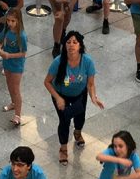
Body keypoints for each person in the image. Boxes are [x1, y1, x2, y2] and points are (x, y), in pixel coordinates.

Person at [45, 31, 105, 166]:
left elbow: (90, 84)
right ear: (64, 45)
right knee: (64, 121)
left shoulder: (87, 61)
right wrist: (58, 98)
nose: (71, 45)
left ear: (80, 46)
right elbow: (47, 82)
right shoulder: (58, 62)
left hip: (80, 94)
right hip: (60, 95)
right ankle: (63, 149)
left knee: (80, 117)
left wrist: (94, 97)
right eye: (68, 42)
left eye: (75, 42)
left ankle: (77, 133)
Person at [0, 7, 28, 127]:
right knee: (9, 86)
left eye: (13, 21)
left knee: (15, 89)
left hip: (16, 65)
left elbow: (23, 53)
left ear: (18, 21)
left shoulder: (22, 36)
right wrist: (0, 50)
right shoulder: (6, 30)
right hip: (7, 63)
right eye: (8, 20)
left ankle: (18, 115)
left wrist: (9, 55)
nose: (10, 23)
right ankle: (13, 103)